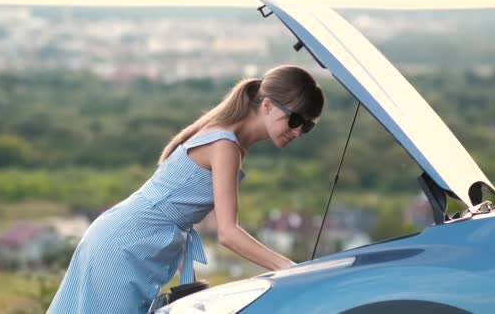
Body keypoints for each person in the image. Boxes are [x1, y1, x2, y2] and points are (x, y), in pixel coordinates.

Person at [47, 65, 325, 313]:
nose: (298, 131)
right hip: (125, 246)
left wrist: (187, 277)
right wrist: (289, 269)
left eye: (308, 126)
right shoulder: (225, 146)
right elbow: (228, 233)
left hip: (127, 239)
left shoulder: (229, 140)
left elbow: (180, 211)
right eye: (295, 119)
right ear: (266, 105)